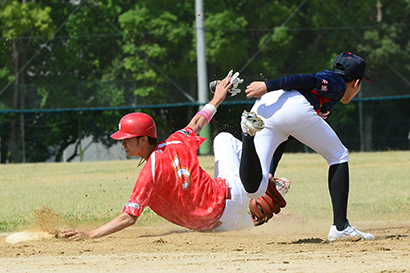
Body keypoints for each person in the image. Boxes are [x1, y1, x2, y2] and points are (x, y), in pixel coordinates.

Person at [61, 71, 284, 241]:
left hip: (215, 223)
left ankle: (263, 179)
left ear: (143, 140)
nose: (123, 143)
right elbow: (198, 122)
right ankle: (266, 178)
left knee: (224, 140)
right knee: (224, 139)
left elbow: (129, 217)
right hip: (228, 202)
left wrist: (90, 235)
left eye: (128, 138)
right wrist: (217, 98)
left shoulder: (150, 173)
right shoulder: (176, 141)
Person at [239, 52, 374, 241]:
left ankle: (247, 135)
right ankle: (341, 227)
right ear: (357, 83)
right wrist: (267, 85)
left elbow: (284, 135)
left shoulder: (329, 96)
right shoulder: (336, 83)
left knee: (256, 189)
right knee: (339, 155)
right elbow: (306, 80)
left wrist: (271, 170)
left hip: (265, 108)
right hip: (286, 101)